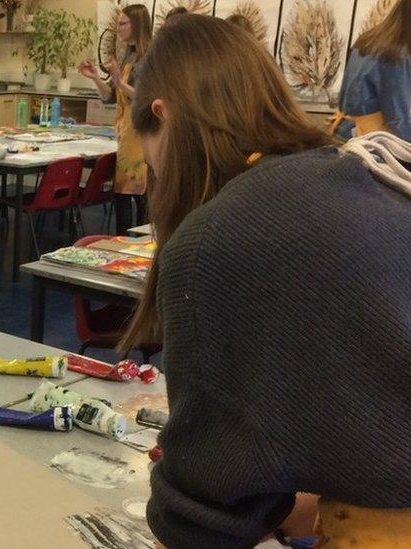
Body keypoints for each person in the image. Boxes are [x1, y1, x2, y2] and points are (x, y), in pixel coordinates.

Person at [121, 14, 411, 547]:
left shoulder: (217, 239)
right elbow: (358, 414)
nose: (156, 179)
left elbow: (203, 517)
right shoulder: (348, 177)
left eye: (150, 160)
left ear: (161, 114)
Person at [78, 4, 152, 235]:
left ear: (137, 25)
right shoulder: (126, 54)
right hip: (125, 134)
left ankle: (138, 246)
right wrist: (95, 78)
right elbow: (110, 96)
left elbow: (147, 97)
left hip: (141, 134)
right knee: (121, 195)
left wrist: (120, 84)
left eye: (123, 24)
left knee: (139, 195)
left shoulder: (149, 57)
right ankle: (121, 243)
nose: (118, 28)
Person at [331, 0, 411, 140]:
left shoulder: (368, 40)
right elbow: (399, 121)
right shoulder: (397, 54)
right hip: (375, 146)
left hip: (347, 135)